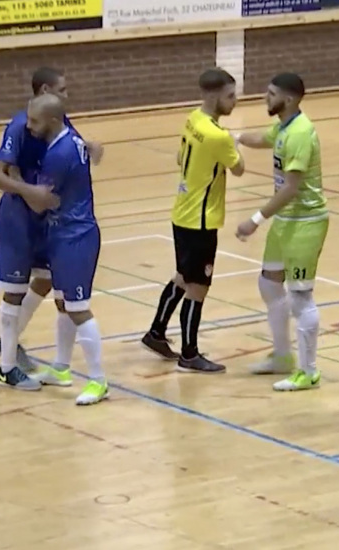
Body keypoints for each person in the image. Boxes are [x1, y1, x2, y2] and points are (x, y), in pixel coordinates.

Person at [0, 67, 102, 391]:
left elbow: (74, 147)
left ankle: (26, 351)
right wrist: (28, 190)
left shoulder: (59, 120)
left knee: (52, 282)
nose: (67, 96)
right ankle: (7, 365)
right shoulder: (21, 125)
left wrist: (91, 147)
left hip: (49, 219)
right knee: (16, 288)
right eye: (62, 90)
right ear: (43, 92)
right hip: (20, 216)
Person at [140, 68, 244, 374]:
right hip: (201, 219)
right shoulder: (217, 135)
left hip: (182, 210)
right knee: (198, 286)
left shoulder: (192, 119)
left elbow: (178, 157)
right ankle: (189, 353)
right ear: (213, 96)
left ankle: (156, 333)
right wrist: (234, 143)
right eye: (230, 95)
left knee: (183, 277)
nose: (235, 101)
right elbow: (239, 169)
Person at [234, 73, 327, 392]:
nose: (265, 97)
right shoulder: (286, 126)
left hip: (305, 221)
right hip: (286, 221)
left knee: (301, 296)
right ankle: (282, 356)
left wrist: (255, 219)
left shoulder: (300, 133)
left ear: (287, 100)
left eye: (271, 93)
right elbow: (264, 138)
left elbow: (291, 188)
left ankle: (308, 371)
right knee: (269, 284)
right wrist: (233, 138)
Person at [24, 93, 107, 405]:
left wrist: (13, 181)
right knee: (62, 303)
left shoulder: (58, 154)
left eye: (35, 121)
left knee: (77, 307)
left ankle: (99, 381)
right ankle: (61, 367)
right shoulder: (73, 139)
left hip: (76, 236)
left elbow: (40, 200)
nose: (30, 127)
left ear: (53, 120)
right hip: (62, 233)